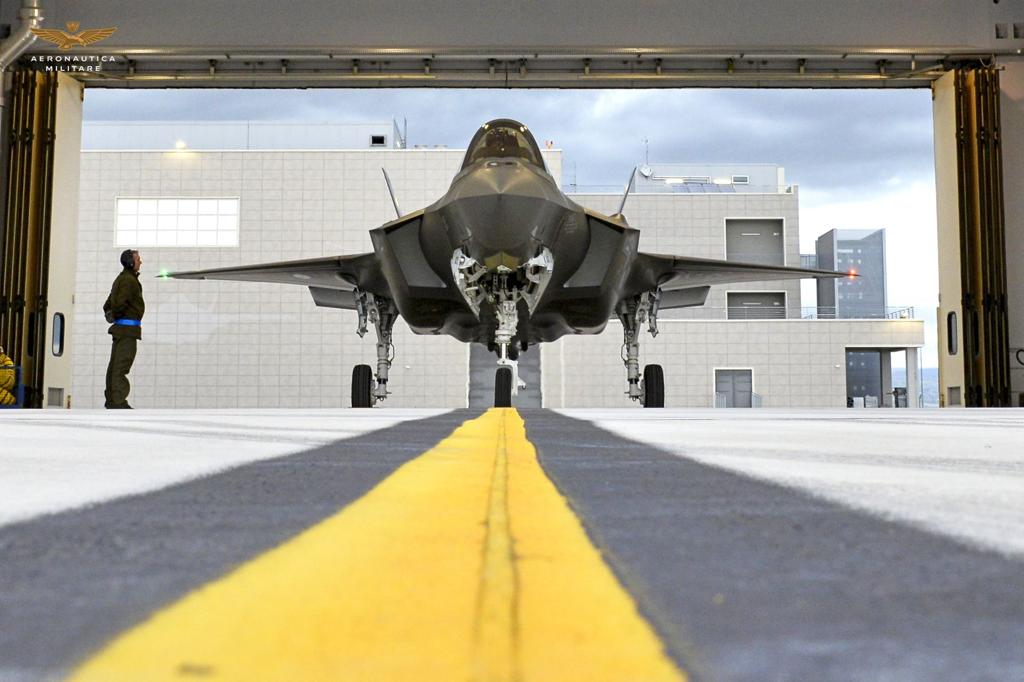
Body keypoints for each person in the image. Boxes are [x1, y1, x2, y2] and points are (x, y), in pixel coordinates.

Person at [103, 249, 144, 409]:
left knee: (115, 366)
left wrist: (113, 316)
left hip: (121, 330)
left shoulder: (121, 279)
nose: (140, 262)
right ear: (131, 262)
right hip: (127, 331)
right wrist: (118, 314)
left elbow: (108, 304)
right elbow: (120, 303)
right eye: (138, 259)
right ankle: (118, 401)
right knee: (121, 366)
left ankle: (112, 399)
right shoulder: (129, 281)